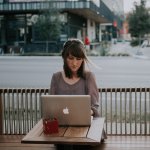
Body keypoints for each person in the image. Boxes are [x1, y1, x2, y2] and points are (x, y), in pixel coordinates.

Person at [50, 38, 106, 150]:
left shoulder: (89, 77)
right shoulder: (56, 77)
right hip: (63, 126)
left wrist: (83, 113)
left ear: (83, 59)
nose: (75, 63)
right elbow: (51, 105)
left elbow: (94, 106)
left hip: (88, 126)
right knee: (66, 143)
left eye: (79, 58)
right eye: (70, 58)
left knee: (77, 144)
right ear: (64, 58)